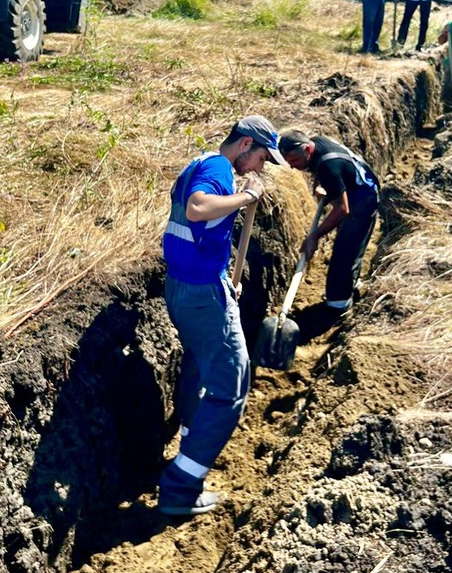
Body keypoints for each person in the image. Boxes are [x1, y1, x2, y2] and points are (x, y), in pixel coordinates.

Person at [159, 115, 287, 517]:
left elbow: (199, 231)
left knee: (199, 366)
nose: (261, 166)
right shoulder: (218, 168)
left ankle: (188, 440)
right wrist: (247, 197)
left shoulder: (200, 163)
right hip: (200, 294)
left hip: (187, 285)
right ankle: (181, 486)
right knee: (231, 385)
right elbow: (198, 209)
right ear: (245, 143)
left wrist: (222, 278)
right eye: (263, 156)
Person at [278, 130, 380, 313]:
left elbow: (342, 209)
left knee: (345, 249)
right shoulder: (316, 145)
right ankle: (351, 284)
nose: (292, 167)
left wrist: (314, 237)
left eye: (294, 161)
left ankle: (338, 304)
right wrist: (321, 185)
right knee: (349, 244)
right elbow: (326, 171)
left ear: (307, 149)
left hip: (364, 197)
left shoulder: (328, 166)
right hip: (356, 185)